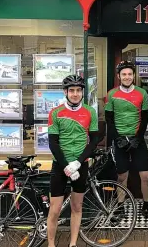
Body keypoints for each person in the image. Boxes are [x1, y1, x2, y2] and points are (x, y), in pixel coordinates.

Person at [46, 75, 100, 247]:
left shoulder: (90, 112)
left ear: (82, 92)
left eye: (78, 90)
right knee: (55, 210)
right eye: (72, 90)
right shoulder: (55, 113)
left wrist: (78, 162)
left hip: (80, 165)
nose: (75, 94)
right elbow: (53, 143)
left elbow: (93, 141)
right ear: (65, 92)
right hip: (60, 165)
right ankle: (51, 244)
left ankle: (73, 243)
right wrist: (66, 165)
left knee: (77, 207)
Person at [105, 60, 148, 222]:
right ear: (118, 76)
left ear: (134, 76)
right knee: (122, 176)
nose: (127, 77)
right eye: (124, 74)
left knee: (146, 176)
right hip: (120, 139)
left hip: (137, 140)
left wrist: (138, 138)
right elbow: (109, 119)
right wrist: (118, 138)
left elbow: (144, 118)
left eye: (130, 74)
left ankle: (147, 206)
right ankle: (120, 207)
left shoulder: (141, 93)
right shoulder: (112, 94)